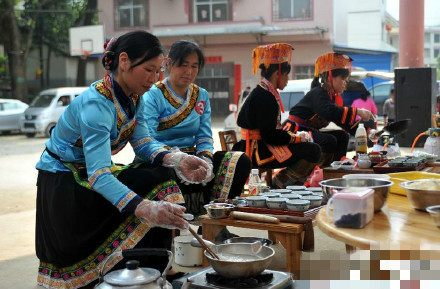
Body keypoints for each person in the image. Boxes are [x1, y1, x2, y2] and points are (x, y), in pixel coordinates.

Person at [35, 31, 211, 289]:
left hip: (92, 174)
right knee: (148, 193)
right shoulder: (97, 105)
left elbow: (141, 141)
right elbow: (99, 175)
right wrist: (143, 207)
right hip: (66, 180)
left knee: (161, 179)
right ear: (125, 61)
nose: (153, 80)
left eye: (157, 71)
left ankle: (151, 273)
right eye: (148, 70)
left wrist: (177, 159)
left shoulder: (134, 96)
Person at [140, 40, 251, 215]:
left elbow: (204, 136)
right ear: (169, 64)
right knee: (164, 174)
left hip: (193, 157)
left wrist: (204, 160)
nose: (189, 72)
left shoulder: (201, 95)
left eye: (194, 66)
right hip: (163, 159)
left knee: (239, 160)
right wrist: (177, 159)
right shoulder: (153, 94)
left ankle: (215, 220)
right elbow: (147, 137)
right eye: (183, 65)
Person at [232, 43, 321, 189]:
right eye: (286, 75)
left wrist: (295, 137)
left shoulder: (261, 92)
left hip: (258, 145)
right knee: (313, 150)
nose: (287, 79)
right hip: (258, 152)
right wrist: (297, 138)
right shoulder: (264, 96)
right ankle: (280, 184)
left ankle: (281, 183)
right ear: (277, 74)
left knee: (308, 147)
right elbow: (270, 135)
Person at [282, 52, 374, 166]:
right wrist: (358, 111)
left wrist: (368, 132)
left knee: (342, 136)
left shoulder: (332, 97)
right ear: (331, 77)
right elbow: (329, 111)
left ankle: (338, 167)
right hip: (295, 131)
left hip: (309, 131)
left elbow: (342, 121)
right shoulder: (319, 92)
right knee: (328, 140)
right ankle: (320, 171)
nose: (345, 83)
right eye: (343, 79)